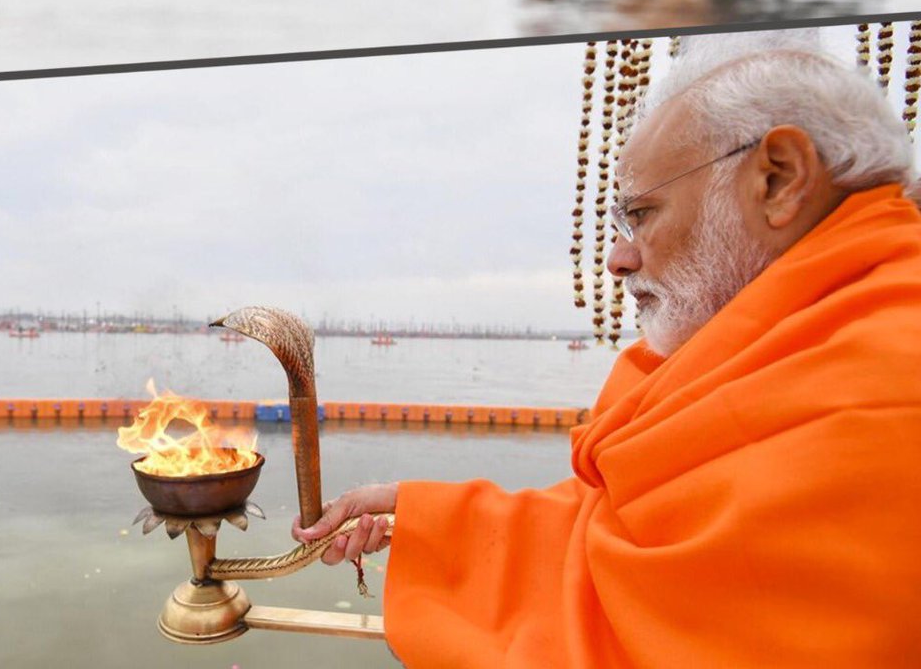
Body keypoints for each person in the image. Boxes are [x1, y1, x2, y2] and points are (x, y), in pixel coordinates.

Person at [294, 45, 921, 666]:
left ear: (778, 179)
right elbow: (632, 541)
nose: (619, 259)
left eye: (643, 214)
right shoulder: (800, 349)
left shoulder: (891, 393)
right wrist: (425, 520)